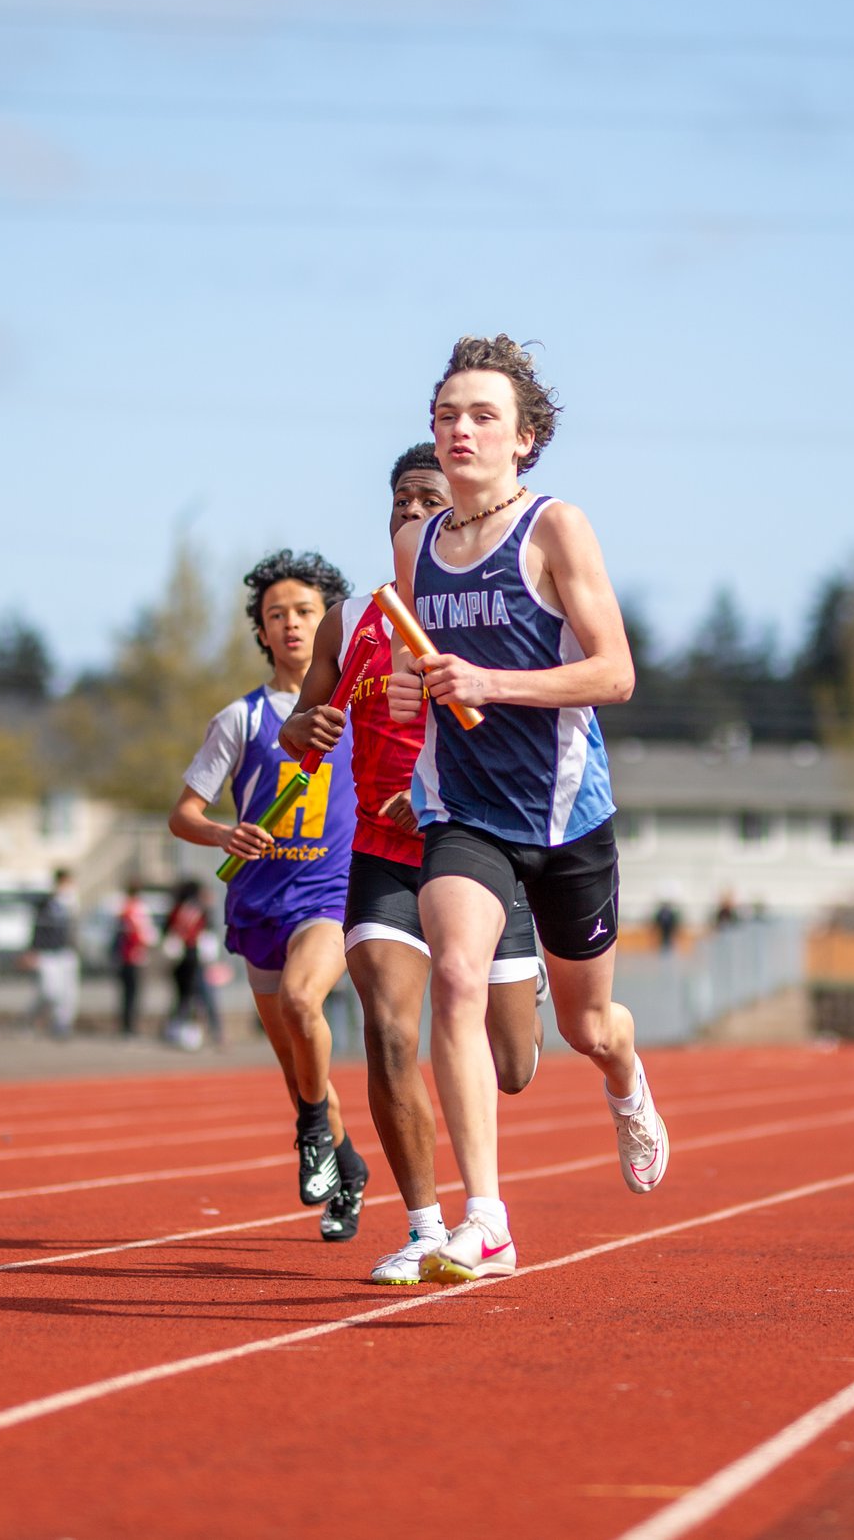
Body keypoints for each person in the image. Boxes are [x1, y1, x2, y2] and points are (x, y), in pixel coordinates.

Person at [386, 334, 668, 1283]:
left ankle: (625, 1081)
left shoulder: (556, 529)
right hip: (463, 809)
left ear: (526, 439)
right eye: (447, 414)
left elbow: (615, 672)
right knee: (457, 979)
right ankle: (488, 1215)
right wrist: (400, 688)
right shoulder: (415, 543)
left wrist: (491, 683)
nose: (460, 430)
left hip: (565, 817)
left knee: (592, 1027)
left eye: (483, 416)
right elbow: (410, 662)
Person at [279, 442, 549, 1284]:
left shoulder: (488, 614)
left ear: (461, 508)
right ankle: (429, 1227)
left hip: (475, 842)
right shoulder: (350, 617)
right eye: (398, 497)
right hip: (382, 853)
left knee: (512, 1066)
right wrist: (306, 732)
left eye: (426, 496)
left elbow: (523, 722)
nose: (407, 510)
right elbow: (299, 727)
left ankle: (528, 982)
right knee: (392, 1031)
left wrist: (438, 796)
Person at [166, 550, 372, 1242]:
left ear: (331, 621)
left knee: (302, 1001)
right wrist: (225, 833)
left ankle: (314, 1133)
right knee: (298, 1066)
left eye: (305, 612)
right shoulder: (240, 719)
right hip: (259, 901)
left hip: (333, 890)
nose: (290, 624)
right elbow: (183, 813)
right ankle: (345, 1165)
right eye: (275, 614)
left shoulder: (359, 701)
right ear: (260, 628)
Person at [162, 880, 224, 1049]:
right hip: (194, 959)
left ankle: (178, 1029)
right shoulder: (198, 910)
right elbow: (207, 933)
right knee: (202, 997)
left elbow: (167, 931)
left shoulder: (177, 909)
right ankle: (206, 1032)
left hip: (181, 959)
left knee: (183, 997)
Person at [30, 868, 82, 1039]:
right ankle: (32, 1017)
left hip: (67, 953)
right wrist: (33, 950)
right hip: (49, 953)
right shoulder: (47, 904)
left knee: (68, 994)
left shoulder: (73, 904)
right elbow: (37, 929)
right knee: (50, 991)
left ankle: (61, 1024)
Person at [112, 879, 156, 1037]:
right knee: (132, 992)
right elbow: (141, 933)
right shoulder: (134, 909)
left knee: (129, 993)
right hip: (133, 955)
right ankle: (129, 1026)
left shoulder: (126, 908)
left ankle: (128, 1025)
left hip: (129, 955)